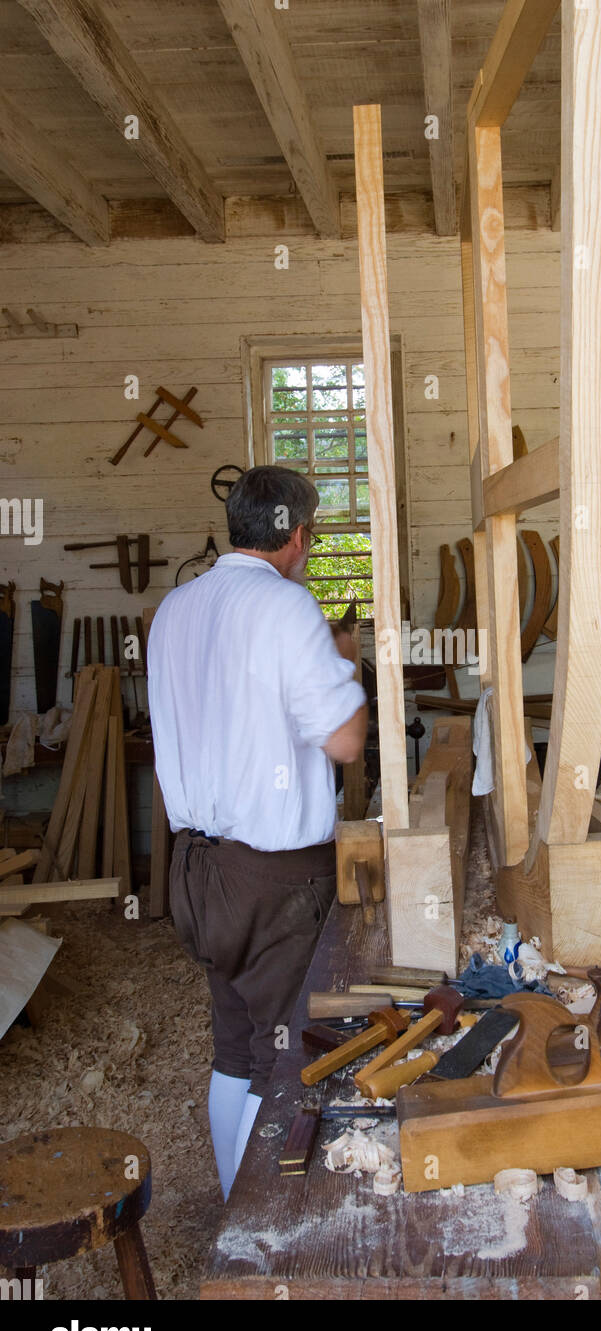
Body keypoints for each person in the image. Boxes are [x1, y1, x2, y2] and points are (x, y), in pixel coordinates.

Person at [147, 466, 368, 1199]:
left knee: (235, 1047)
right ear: (298, 535)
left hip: (195, 869)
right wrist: (346, 665)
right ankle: (258, 1236)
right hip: (273, 878)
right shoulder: (286, 607)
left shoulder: (175, 609)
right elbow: (343, 741)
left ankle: (230, 1207)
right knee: (284, 1057)